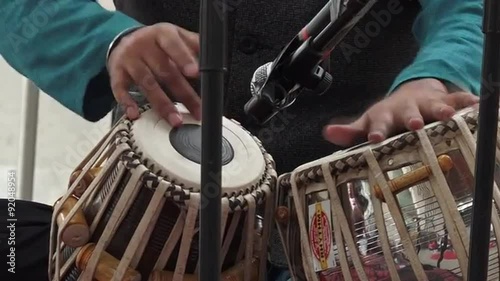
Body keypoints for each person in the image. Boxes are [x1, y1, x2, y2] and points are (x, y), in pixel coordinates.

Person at [0, 0, 484, 280]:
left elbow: (470, 10)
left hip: (338, 244)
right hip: (133, 234)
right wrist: (109, 42)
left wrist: (436, 78)